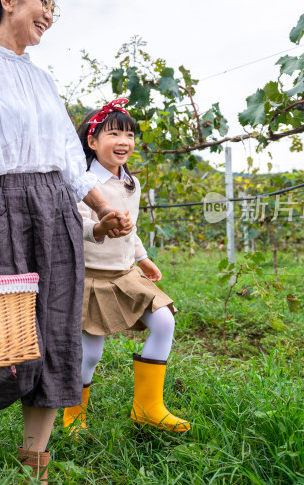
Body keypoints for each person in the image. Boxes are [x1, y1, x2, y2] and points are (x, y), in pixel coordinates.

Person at [0, 0, 132, 484]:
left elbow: (68, 157)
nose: (49, 13)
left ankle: (33, 464)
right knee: (8, 337)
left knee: (57, 328)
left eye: (53, 5)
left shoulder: (43, 81)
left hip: (55, 207)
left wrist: (103, 207)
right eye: (44, 0)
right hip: (0, 202)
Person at [62, 100, 190, 435]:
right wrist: (100, 229)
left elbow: (130, 227)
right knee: (89, 353)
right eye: (114, 133)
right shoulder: (84, 182)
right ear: (92, 142)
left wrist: (141, 256)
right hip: (91, 277)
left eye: (129, 134)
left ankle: (147, 406)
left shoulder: (130, 183)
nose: (124, 141)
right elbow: (76, 226)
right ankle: (73, 414)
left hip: (125, 274)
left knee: (163, 320)